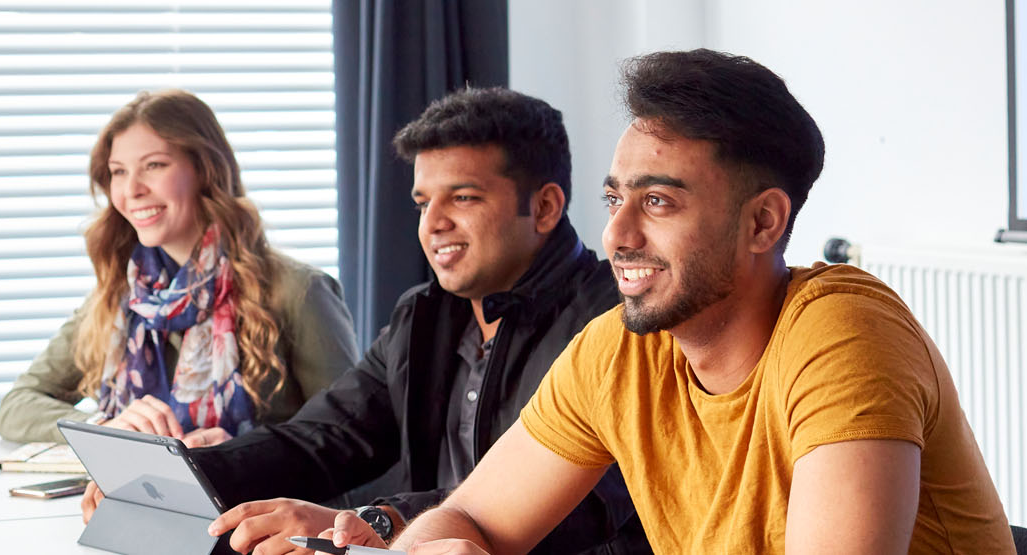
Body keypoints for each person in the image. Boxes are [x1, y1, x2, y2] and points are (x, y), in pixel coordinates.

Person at [341, 49, 1014, 555]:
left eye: (658, 201)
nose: (617, 234)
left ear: (762, 223)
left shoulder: (844, 333)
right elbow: (473, 517)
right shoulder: (619, 351)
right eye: (614, 199)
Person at [85, 88, 650, 555]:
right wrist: (172, 476)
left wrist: (380, 521)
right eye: (422, 202)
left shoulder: (617, 321)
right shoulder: (422, 317)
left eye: (464, 198)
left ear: (546, 208)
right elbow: (322, 439)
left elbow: (583, 504)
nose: (434, 224)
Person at [0, 89, 358, 449]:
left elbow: (355, 445)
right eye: (118, 172)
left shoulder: (298, 291)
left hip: (255, 502)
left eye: (154, 165)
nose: (132, 189)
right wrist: (106, 428)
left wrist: (243, 452)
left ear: (205, 169)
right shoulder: (123, 296)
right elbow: (18, 405)